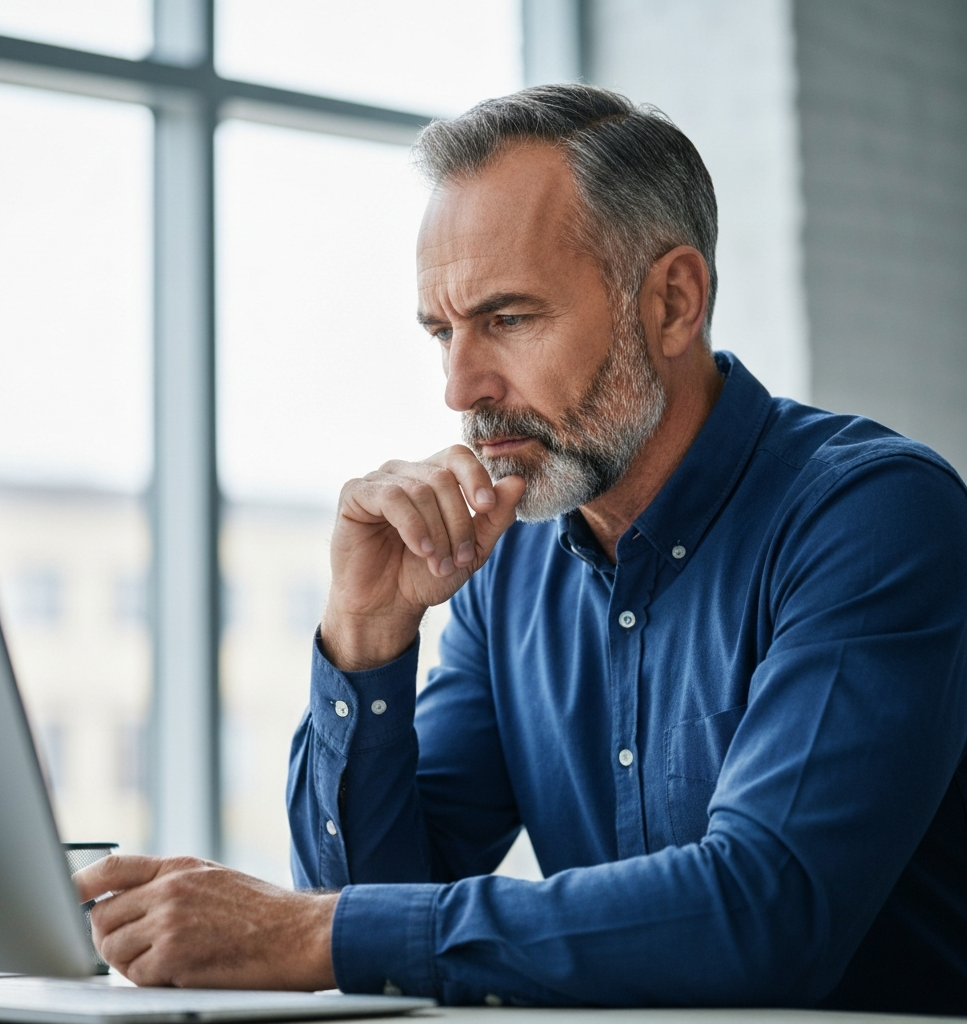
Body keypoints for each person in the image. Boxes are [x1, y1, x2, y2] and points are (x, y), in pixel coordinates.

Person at [76, 85, 967, 1012]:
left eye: (508, 319)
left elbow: (763, 913)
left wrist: (310, 934)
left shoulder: (871, 515)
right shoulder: (509, 565)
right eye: (441, 332)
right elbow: (381, 892)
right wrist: (364, 635)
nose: (462, 386)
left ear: (672, 302)